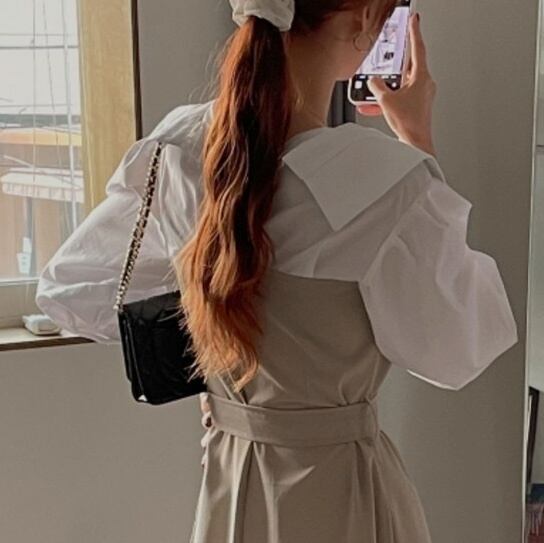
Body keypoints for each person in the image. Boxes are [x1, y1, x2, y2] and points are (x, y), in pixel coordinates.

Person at [35, 0, 519, 541]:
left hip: (230, 474)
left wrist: (221, 353)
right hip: (343, 488)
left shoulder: (179, 149)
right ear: (362, 19)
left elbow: (71, 292)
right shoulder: (386, 180)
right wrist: (418, 139)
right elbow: (460, 349)